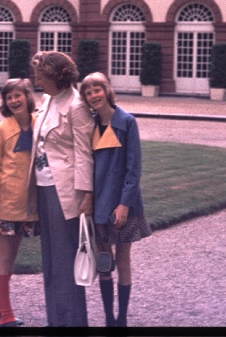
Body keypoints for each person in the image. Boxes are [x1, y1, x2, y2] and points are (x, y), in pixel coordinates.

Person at [0, 51, 94, 326]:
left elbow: (84, 153)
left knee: (65, 260)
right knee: (51, 261)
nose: (37, 78)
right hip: (42, 188)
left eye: (41, 74)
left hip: (64, 191)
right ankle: (57, 318)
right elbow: (33, 130)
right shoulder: (48, 99)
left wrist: (87, 194)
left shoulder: (76, 105)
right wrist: (0, 130)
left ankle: (71, 321)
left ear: (55, 75)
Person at [79, 72, 152, 327]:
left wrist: (124, 204)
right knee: (103, 260)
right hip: (99, 203)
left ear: (107, 91)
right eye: (88, 93)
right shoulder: (89, 125)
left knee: (123, 259)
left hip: (124, 204)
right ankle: (109, 317)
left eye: (97, 90)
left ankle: (121, 318)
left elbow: (133, 169)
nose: (93, 96)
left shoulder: (127, 123)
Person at [0, 78, 39, 327]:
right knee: (4, 256)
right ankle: (6, 314)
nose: (14, 100)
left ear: (27, 96)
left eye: (18, 95)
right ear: (5, 103)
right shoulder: (2, 129)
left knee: (13, 255)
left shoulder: (41, 124)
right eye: (9, 97)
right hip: (3, 204)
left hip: (28, 205)